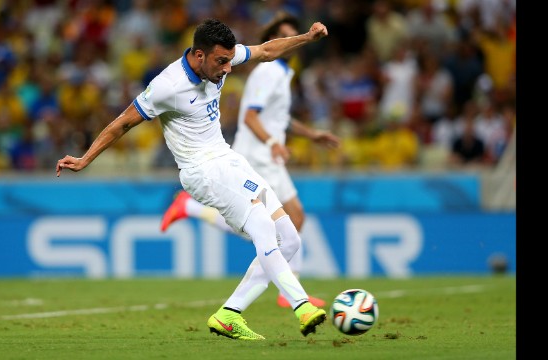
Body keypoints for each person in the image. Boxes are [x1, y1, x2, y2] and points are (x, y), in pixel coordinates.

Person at [56, 18, 329, 341]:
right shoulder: (167, 86)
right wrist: (86, 158)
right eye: (221, 62)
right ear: (199, 55)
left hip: (228, 159)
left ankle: (229, 314)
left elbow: (267, 50)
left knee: (291, 239)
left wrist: (308, 38)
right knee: (264, 228)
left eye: (229, 60)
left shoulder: (220, 59)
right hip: (203, 171)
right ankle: (302, 305)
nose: (227, 69)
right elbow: (123, 123)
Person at [159, 12, 340, 309]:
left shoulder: (283, 73)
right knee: (268, 223)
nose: (290, 39)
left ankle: (283, 289)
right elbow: (250, 115)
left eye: (294, 33)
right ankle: (290, 292)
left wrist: (310, 135)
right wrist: (271, 142)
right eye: (285, 34)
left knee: (278, 223)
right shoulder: (267, 72)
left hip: (270, 154)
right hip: (258, 154)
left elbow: (279, 119)